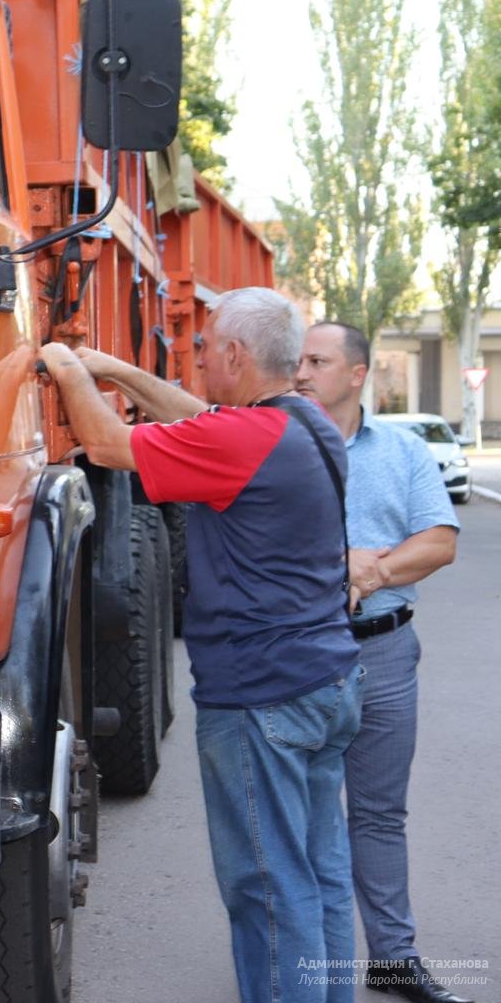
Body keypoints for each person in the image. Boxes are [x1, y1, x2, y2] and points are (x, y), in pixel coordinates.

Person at [38, 286, 362, 1003]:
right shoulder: (302, 422)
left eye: (207, 348)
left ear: (237, 356)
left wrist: (66, 369)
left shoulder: (244, 438)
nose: (200, 357)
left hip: (262, 699)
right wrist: (117, 369)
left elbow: (106, 445)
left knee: (268, 889)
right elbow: (201, 419)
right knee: (320, 876)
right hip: (325, 685)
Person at [294, 322, 470, 1003]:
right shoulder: (278, 447)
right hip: (303, 653)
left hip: (387, 647)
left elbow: (441, 541)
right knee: (304, 811)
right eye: (298, 360)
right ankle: (310, 959)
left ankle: (394, 958)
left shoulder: (402, 451)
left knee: (377, 814)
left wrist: (369, 576)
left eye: (317, 361)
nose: (302, 372)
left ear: (358, 373)